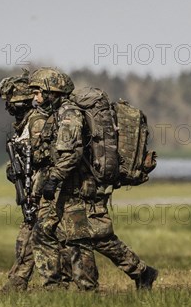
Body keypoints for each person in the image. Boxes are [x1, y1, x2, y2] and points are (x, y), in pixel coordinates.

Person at [29, 67, 159, 291]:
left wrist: (54, 179)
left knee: (81, 238)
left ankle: (89, 289)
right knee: (53, 232)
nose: (35, 97)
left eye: (38, 92)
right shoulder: (58, 113)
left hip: (79, 187)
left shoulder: (69, 114)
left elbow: (72, 154)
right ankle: (58, 287)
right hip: (71, 186)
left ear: (52, 91)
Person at [0, 71, 77, 291]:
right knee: (35, 234)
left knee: (47, 235)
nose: (7, 106)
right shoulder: (24, 123)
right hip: (35, 187)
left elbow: (45, 159)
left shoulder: (37, 122)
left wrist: (38, 189)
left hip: (44, 188)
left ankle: (57, 282)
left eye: (9, 101)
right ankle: (19, 281)